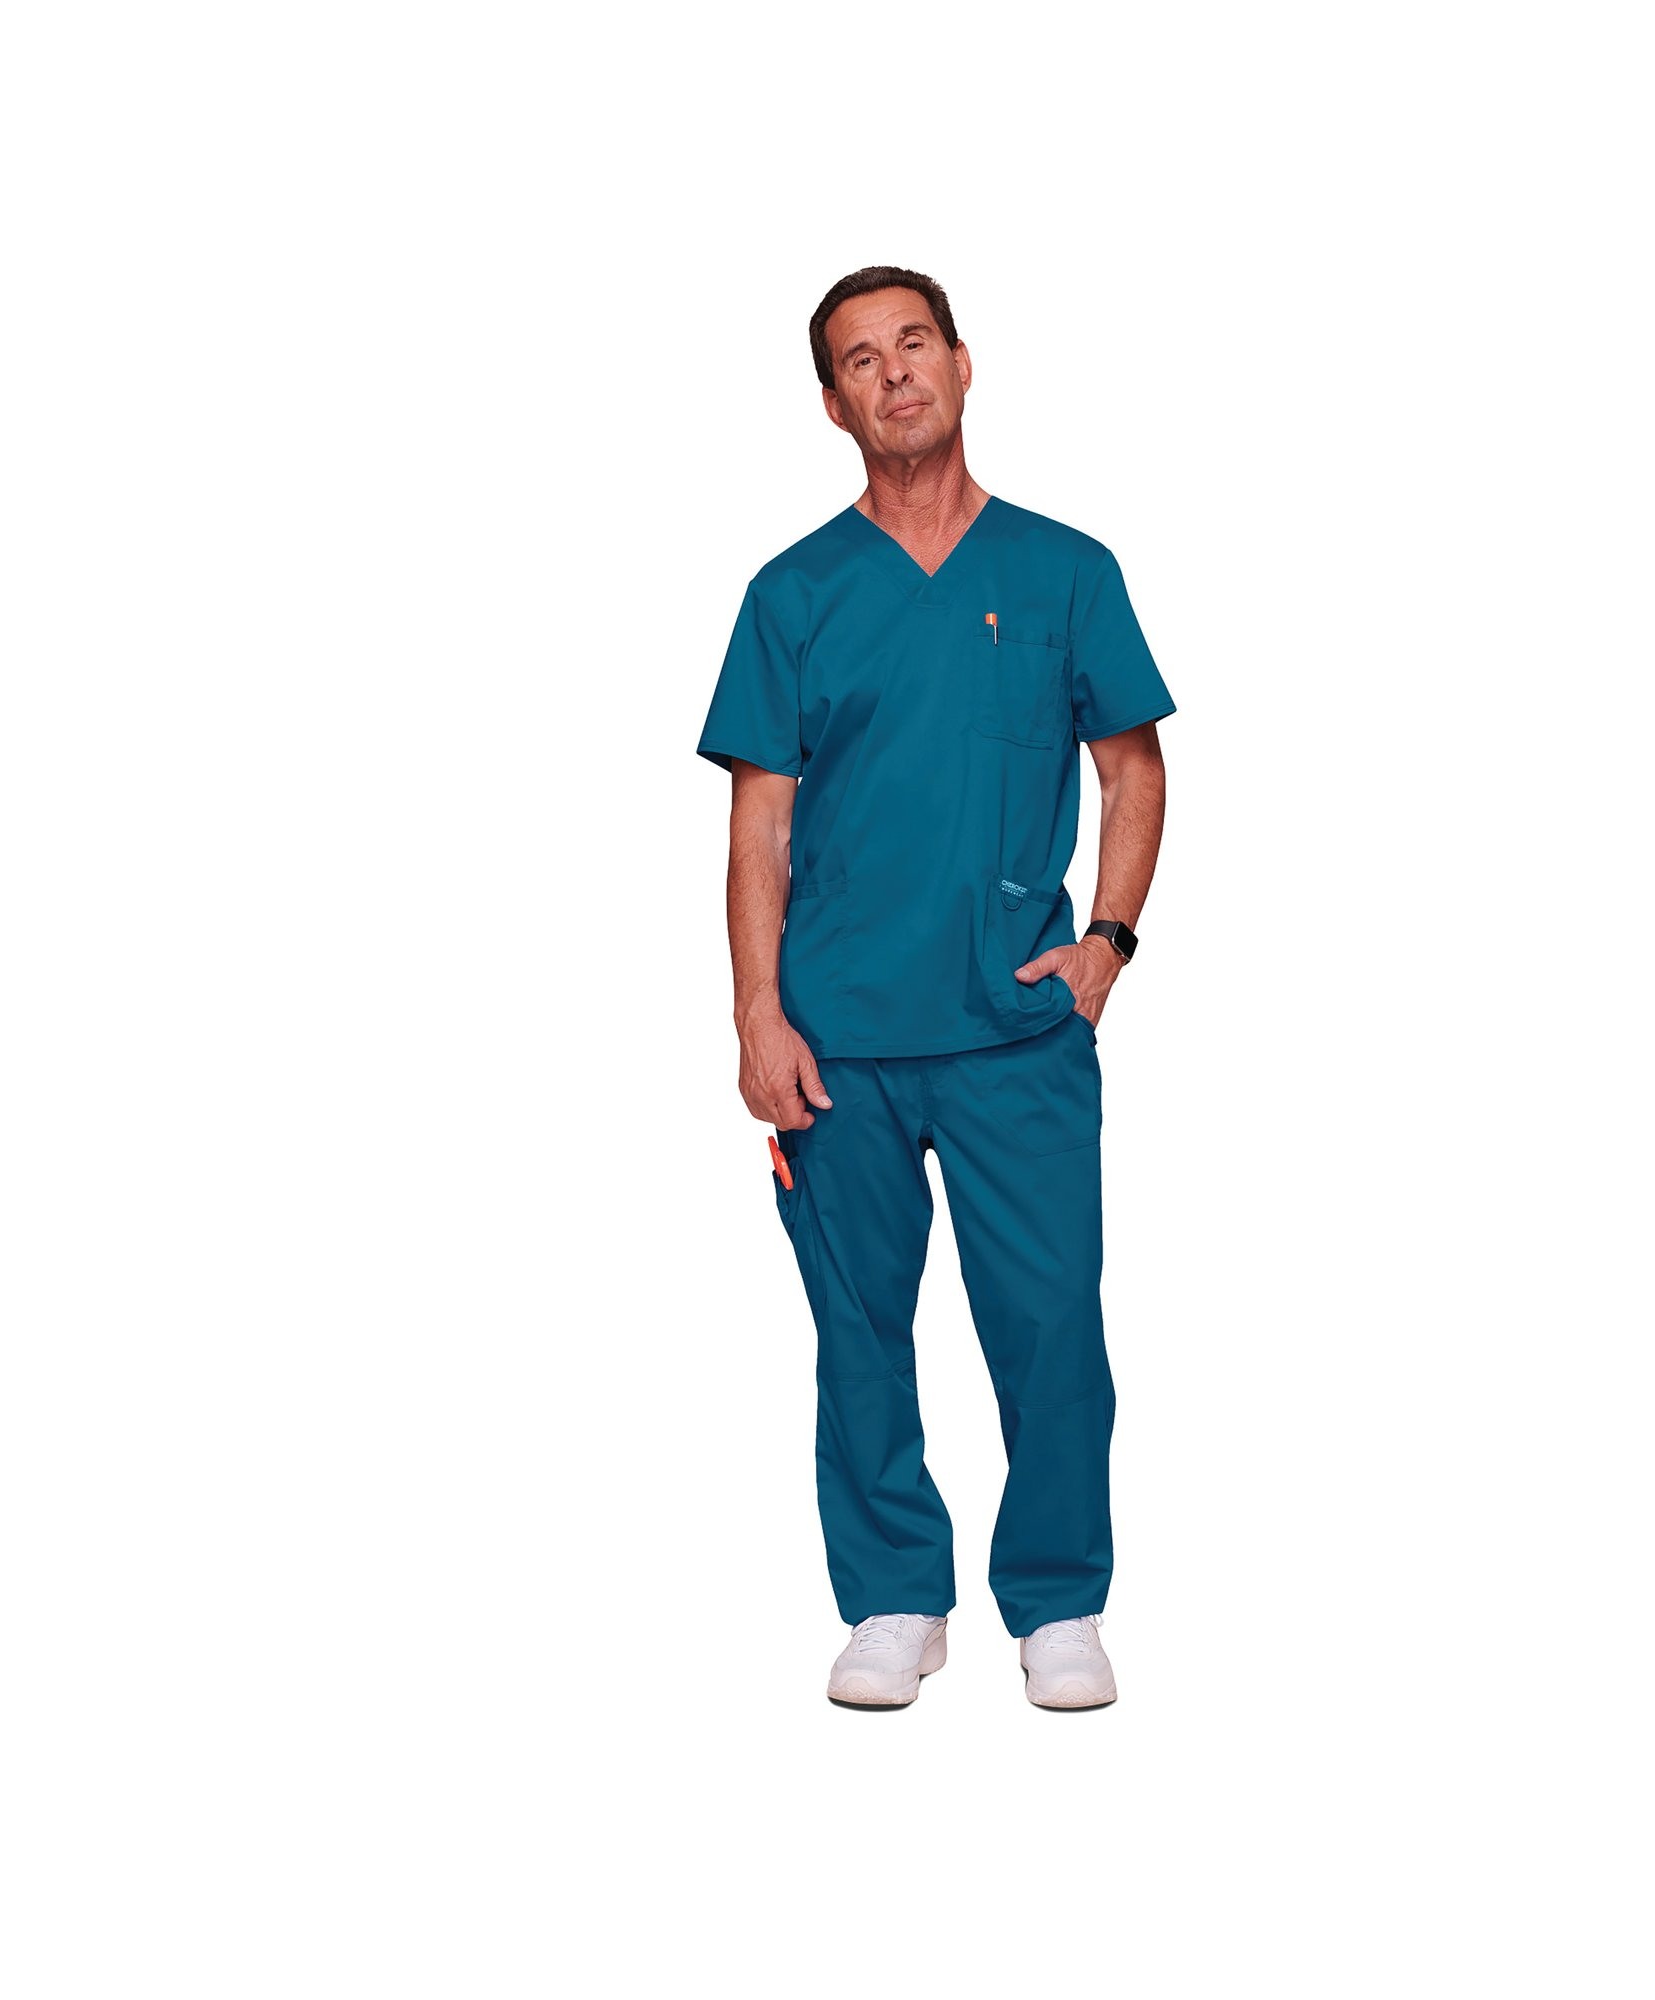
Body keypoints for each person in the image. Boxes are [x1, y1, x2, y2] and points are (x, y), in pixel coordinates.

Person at [694, 266, 1174, 1711]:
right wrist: (757, 1013)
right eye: (861, 358)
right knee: (859, 1331)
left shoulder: (1066, 571)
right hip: (837, 1035)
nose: (893, 371)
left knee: (1050, 1324)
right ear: (832, 403)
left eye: (914, 343)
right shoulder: (792, 594)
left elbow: (1133, 767)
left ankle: (1059, 1601)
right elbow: (758, 827)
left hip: (1016, 1028)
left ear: (964, 366)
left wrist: (1108, 943)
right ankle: (896, 1594)